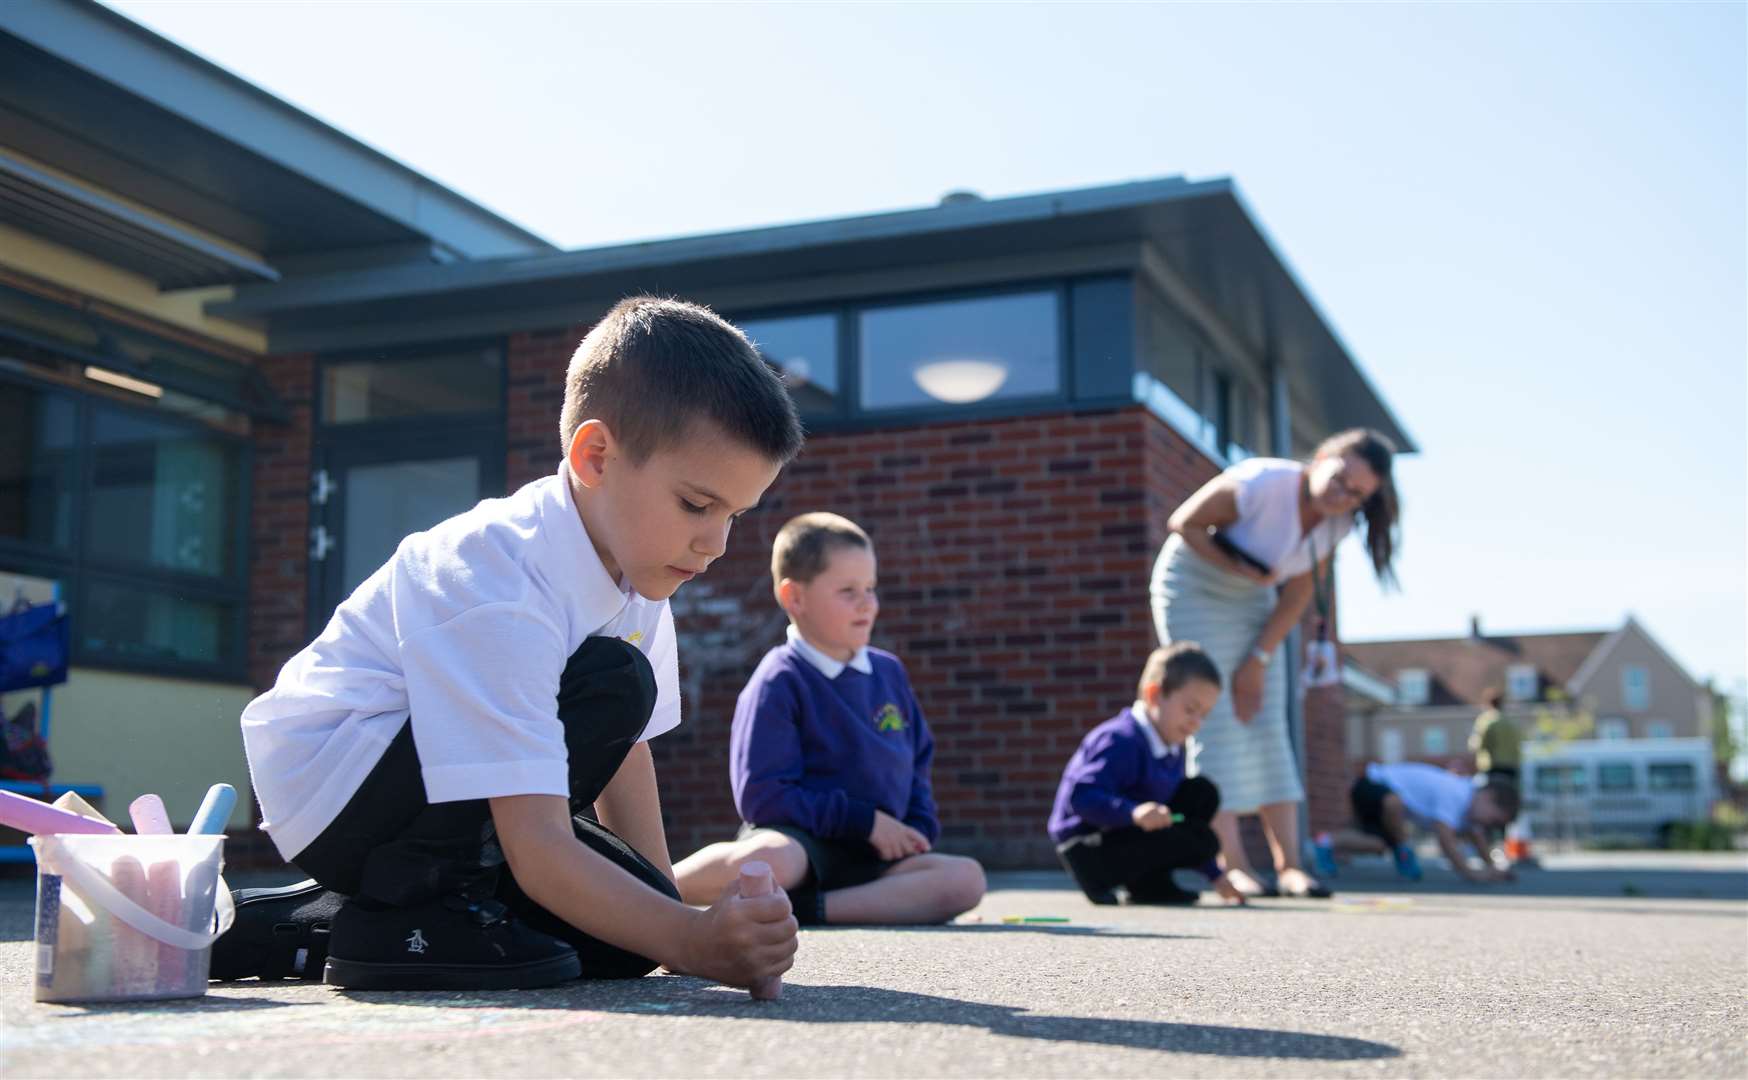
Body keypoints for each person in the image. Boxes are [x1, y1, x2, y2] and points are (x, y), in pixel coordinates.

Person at [221, 297, 803, 991]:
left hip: (440, 791)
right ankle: (412, 904)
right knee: (616, 680)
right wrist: (696, 940)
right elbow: (538, 846)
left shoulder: (640, 566)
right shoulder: (499, 580)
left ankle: (341, 925)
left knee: (621, 946)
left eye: (735, 515)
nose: (715, 544)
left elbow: (627, 753)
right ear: (596, 456)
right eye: (698, 505)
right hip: (341, 788)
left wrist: (671, 926)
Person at [673, 512, 986, 925]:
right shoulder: (780, 679)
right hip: (802, 847)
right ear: (795, 598)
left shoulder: (888, 672)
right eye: (847, 591)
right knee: (769, 861)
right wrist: (863, 821)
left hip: (875, 860)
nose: (867, 603)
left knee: (965, 879)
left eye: (871, 589)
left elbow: (918, 764)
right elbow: (762, 797)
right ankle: (651, 886)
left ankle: (809, 910)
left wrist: (916, 828)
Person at [1150, 428, 1400, 899]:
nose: (1342, 495)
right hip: (1195, 586)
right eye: (1341, 478)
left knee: (1266, 720)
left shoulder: (1337, 524)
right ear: (1323, 455)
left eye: (1356, 494)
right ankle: (1232, 865)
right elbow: (1183, 522)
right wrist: (1239, 569)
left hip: (1253, 601)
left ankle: (1290, 865)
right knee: (1215, 718)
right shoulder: (1261, 484)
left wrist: (1259, 659)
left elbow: (1300, 592)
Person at [1048, 642, 1248, 906]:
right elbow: (1082, 797)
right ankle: (1097, 877)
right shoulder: (1120, 740)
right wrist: (1133, 812)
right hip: (1086, 844)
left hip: (1126, 833)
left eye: (1204, 715)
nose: (1196, 722)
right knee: (1202, 838)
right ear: (1154, 695)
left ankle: (1151, 884)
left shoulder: (1172, 747)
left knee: (1201, 795)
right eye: (1190, 709)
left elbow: (1175, 815)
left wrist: (1216, 876)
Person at [1314, 762, 1519, 884]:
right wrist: (1470, 873)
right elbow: (1445, 839)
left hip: (1381, 797)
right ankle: (1402, 847)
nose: (1488, 824)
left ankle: (1325, 842)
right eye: (1492, 819)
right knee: (1394, 803)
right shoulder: (1457, 793)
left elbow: (1478, 838)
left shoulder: (1470, 809)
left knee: (1378, 844)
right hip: (1372, 784)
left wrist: (1493, 868)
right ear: (1488, 796)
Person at [1470, 688, 1523, 782]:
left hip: (1492, 767)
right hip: (1511, 767)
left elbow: (1479, 745)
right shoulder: (1510, 722)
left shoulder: (1486, 720)